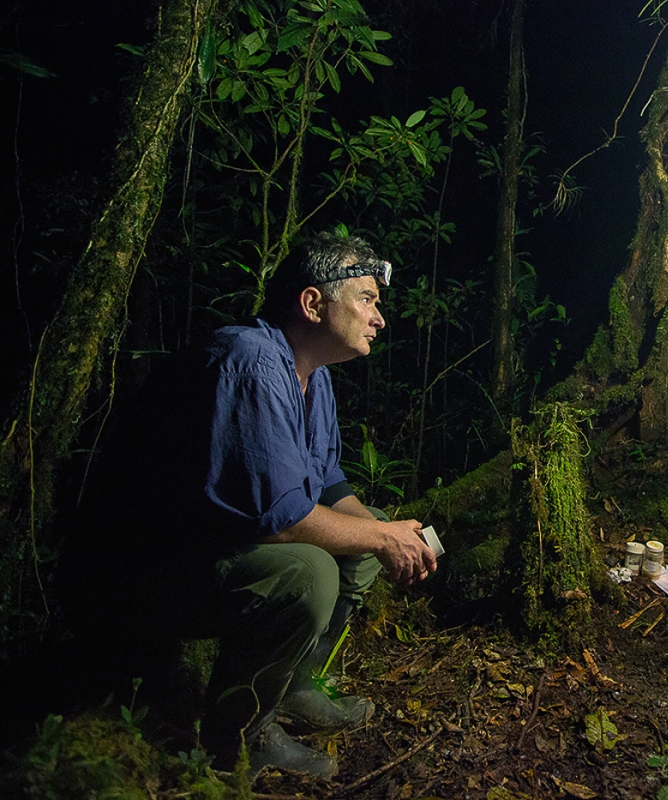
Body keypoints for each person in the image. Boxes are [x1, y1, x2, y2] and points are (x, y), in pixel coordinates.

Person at [63, 232, 437, 778]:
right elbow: (282, 522)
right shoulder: (253, 361)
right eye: (367, 299)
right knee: (309, 573)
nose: (379, 319)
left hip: (209, 553)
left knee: (369, 531)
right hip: (136, 576)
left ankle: (294, 682)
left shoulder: (315, 376)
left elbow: (327, 481)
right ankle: (237, 740)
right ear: (313, 304)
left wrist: (388, 532)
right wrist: (384, 539)